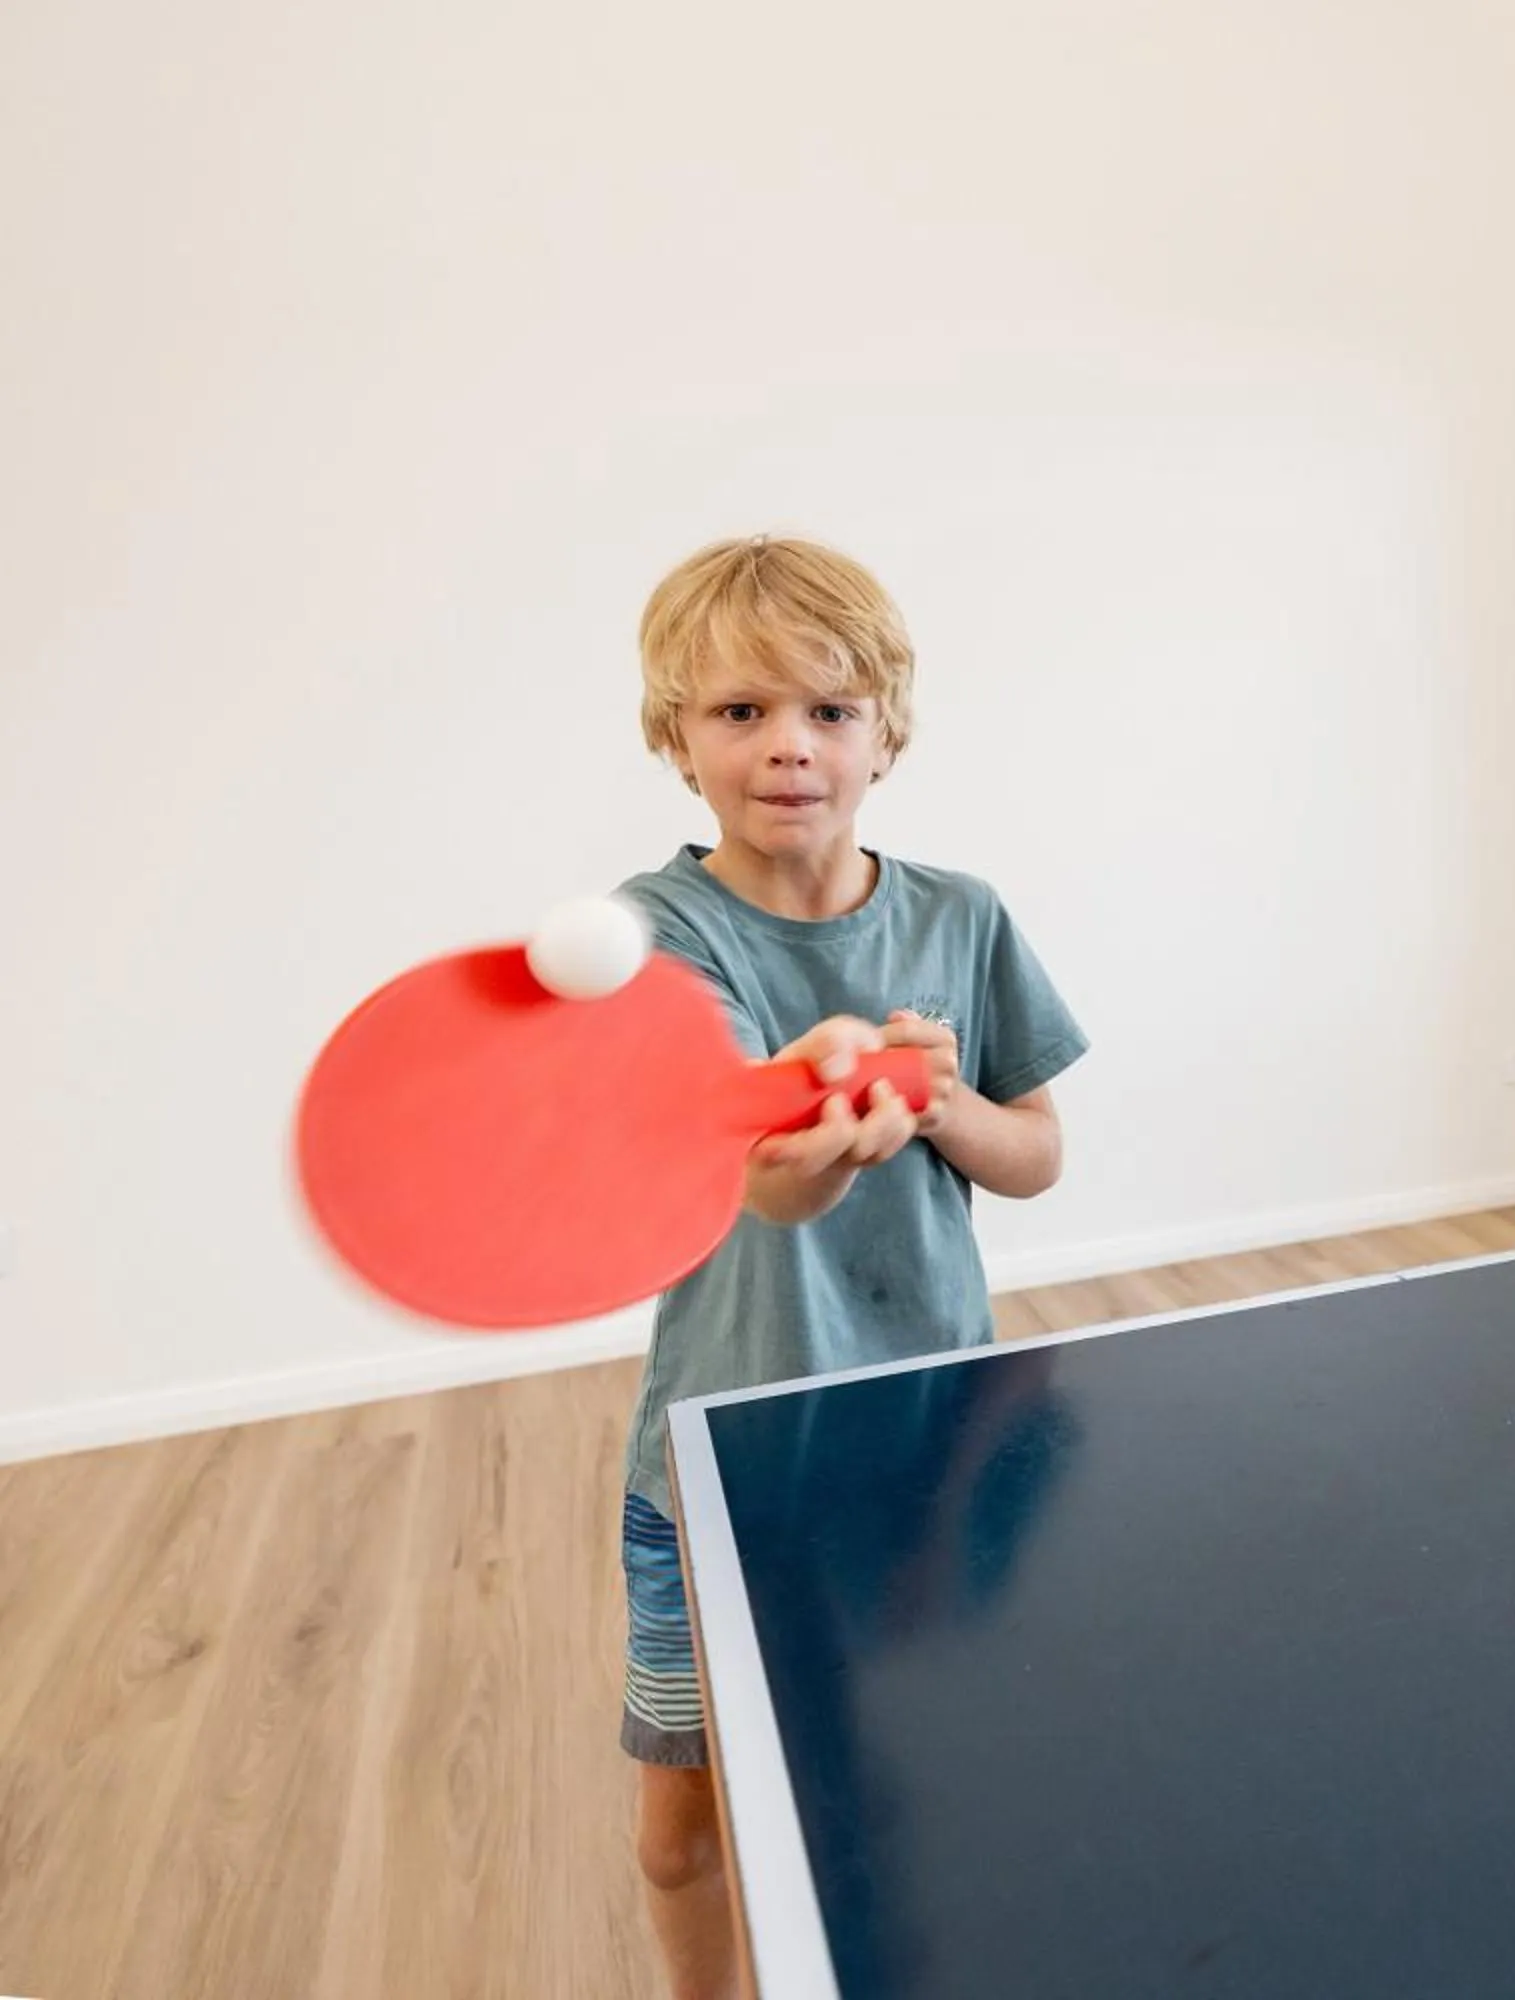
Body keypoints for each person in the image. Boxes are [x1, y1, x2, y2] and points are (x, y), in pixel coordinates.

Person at [607, 534, 1087, 1998]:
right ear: (676, 743)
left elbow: (1035, 1153)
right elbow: (766, 1195)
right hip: (721, 1457)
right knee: (683, 1830)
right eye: (739, 712)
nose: (787, 748)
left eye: (826, 709)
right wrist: (816, 1101)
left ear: (887, 730)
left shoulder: (964, 915)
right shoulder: (656, 935)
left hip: (928, 1438)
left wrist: (933, 1102)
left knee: (872, 1780)